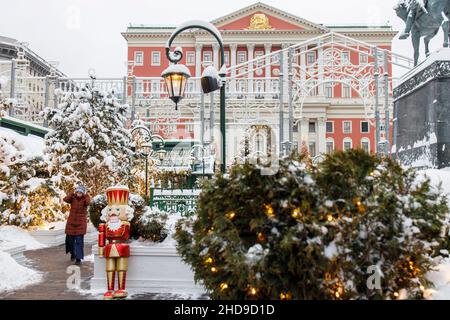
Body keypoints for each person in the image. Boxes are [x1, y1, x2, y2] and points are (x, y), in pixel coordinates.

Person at [64, 185, 91, 265]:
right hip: (71, 223)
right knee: (70, 241)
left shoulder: (85, 199)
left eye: (81, 192)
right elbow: (65, 199)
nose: (79, 194)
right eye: (78, 192)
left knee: (79, 242)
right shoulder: (72, 198)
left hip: (80, 224)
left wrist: (86, 195)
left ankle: (78, 259)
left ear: (83, 193)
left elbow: (88, 202)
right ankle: (73, 253)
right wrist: (71, 193)